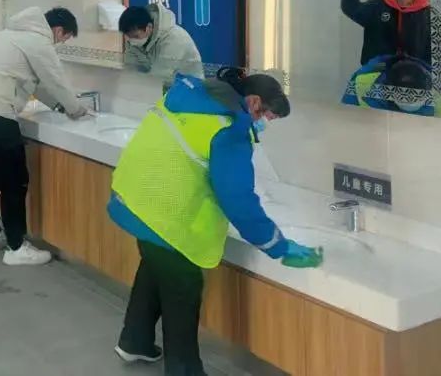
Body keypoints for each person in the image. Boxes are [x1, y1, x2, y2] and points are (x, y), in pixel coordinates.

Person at [108, 69, 322, 376]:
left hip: (135, 199)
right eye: (267, 116)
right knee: (183, 290)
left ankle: (134, 341)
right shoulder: (229, 129)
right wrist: (278, 245)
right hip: (167, 216)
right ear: (254, 102)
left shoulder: (190, 97)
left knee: (155, 267)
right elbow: (238, 200)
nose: (264, 123)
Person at [0, 7, 90, 265]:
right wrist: (76, 109)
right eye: (64, 39)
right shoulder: (39, 42)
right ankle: (16, 247)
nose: (60, 44)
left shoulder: (10, 34)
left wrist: (59, 106)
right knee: (14, 182)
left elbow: (36, 83)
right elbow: (55, 81)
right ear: (58, 31)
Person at [119, 3, 204, 85]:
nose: (132, 41)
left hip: (189, 86)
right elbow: (130, 70)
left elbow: (159, 78)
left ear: (149, 27)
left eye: (136, 36)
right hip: (165, 86)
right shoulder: (134, 42)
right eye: (129, 37)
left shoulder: (174, 38)